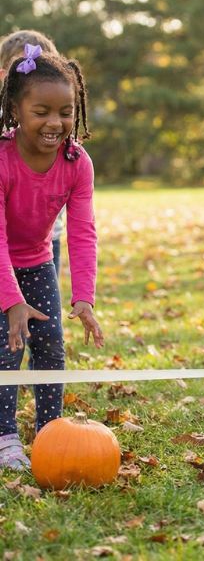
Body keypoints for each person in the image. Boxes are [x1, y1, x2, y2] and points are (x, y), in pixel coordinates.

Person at [0, 47, 104, 470]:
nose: (55, 123)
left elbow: (82, 232)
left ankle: (50, 432)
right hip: (1, 261)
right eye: (41, 111)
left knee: (50, 348)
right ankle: (5, 436)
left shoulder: (77, 163)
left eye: (65, 112)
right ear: (15, 109)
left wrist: (84, 297)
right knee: (7, 351)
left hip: (39, 260)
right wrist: (11, 301)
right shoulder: (2, 159)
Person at [0, 31, 65, 277]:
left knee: (43, 308)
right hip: (3, 240)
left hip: (45, 241)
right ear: (5, 77)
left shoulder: (56, 124)